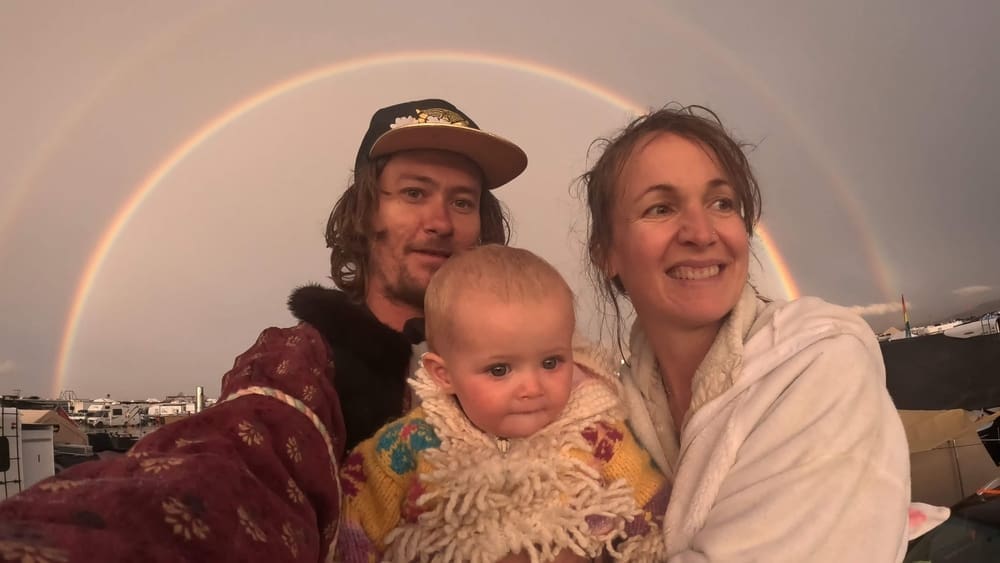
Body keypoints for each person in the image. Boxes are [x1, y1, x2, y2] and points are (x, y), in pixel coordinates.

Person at [0, 99, 528, 562]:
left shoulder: (526, 360)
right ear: (366, 213)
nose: (440, 220)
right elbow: (231, 473)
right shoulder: (304, 360)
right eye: (414, 193)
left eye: (462, 201)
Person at [580, 104, 913, 562]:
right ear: (606, 252)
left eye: (722, 203)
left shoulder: (820, 367)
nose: (701, 232)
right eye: (660, 208)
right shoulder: (606, 411)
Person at [335, 245, 669, 563]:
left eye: (551, 362)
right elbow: (353, 527)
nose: (532, 387)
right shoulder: (408, 446)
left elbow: (652, 514)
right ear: (444, 374)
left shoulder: (597, 435)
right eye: (500, 370)